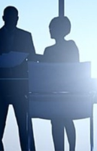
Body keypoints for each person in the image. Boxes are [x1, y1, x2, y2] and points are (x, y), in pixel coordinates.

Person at [0, 6, 37, 151]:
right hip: (0, 87)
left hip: (20, 87)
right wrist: (2, 61)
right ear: (4, 18)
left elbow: (32, 58)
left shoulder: (26, 36)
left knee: (25, 127)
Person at [39, 16, 80, 151]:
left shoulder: (49, 50)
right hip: (68, 92)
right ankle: (71, 148)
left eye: (51, 28)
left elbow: (46, 71)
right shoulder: (71, 46)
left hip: (55, 93)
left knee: (57, 119)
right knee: (66, 118)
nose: (49, 30)